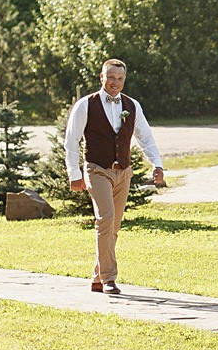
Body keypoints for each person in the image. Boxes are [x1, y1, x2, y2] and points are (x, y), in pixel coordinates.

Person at [64, 59, 167, 295]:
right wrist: (74, 173)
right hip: (97, 169)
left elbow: (145, 137)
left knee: (114, 226)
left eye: (120, 79)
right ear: (102, 77)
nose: (115, 83)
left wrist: (157, 164)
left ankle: (97, 277)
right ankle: (109, 278)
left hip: (124, 171)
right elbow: (71, 141)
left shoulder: (132, 105)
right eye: (111, 78)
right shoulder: (86, 105)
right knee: (106, 218)